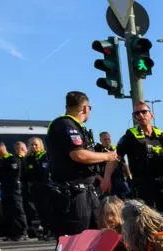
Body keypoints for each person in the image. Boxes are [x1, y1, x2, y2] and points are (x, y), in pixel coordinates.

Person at [46, 91, 118, 236]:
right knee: (75, 240)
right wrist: (107, 156)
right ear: (85, 108)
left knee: (96, 236)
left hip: (87, 191)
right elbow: (78, 154)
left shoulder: (77, 127)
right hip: (72, 193)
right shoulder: (65, 124)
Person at [104, 102, 163, 233]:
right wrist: (106, 179)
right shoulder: (130, 136)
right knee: (146, 226)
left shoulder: (161, 136)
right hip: (142, 186)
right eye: (136, 113)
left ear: (151, 115)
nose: (140, 115)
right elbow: (115, 157)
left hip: (162, 186)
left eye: (144, 112)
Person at [0, 141, 27, 241]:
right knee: (7, 211)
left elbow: (14, 176)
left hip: (13, 189)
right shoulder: (1, 161)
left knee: (17, 210)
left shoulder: (13, 159)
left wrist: (3, 178)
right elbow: (0, 176)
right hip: (5, 189)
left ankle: (22, 232)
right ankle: (11, 233)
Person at [21, 137, 49, 238]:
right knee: (34, 211)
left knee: (46, 210)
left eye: (36, 144)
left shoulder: (45, 156)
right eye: (32, 145)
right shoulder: (28, 158)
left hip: (44, 187)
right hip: (32, 188)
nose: (33, 146)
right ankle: (35, 232)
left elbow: (43, 171)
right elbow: (24, 174)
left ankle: (48, 231)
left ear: (40, 145)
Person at [95, 131, 130, 197]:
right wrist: (103, 180)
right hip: (103, 180)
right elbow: (93, 170)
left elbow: (124, 164)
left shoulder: (115, 149)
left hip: (119, 180)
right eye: (105, 139)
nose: (107, 141)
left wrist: (129, 177)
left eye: (108, 139)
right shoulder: (96, 151)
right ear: (100, 140)